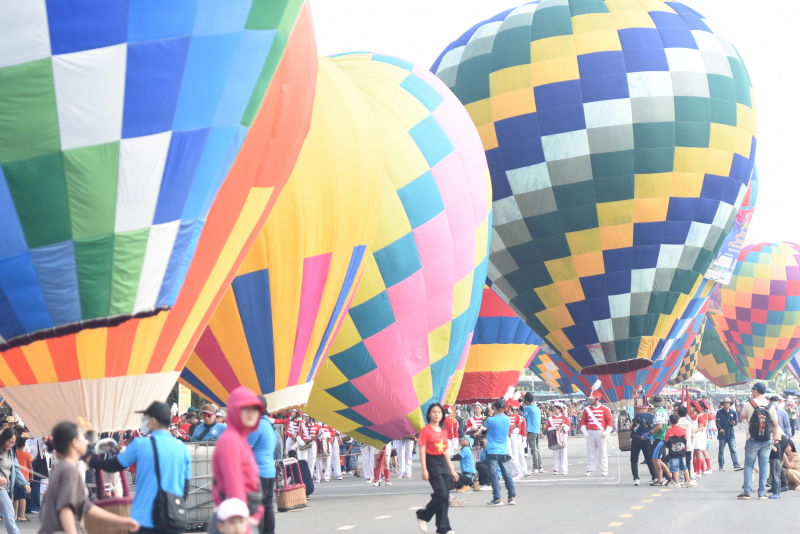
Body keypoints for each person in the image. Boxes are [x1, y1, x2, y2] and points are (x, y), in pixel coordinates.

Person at [90, 402, 191, 534]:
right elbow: (186, 486)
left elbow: (115, 465)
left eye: (145, 418)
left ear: (153, 421)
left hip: (143, 518)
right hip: (172, 518)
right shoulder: (182, 448)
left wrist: (90, 460)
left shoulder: (140, 444)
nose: (143, 422)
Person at [40, 422, 139, 534]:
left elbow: (84, 505)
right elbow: (65, 508)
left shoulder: (63, 467)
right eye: (83, 438)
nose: (86, 441)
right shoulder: (68, 469)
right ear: (74, 443)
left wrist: (119, 521)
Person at [415, 403, 457, 534]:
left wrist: (452, 469)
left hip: (443, 462)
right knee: (441, 493)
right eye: (434, 412)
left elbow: (445, 452)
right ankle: (423, 515)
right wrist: (424, 469)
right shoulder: (425, 430)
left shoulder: (443, 430)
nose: (437, 414)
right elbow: (422, 450)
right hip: (431, 462)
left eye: (439, 412)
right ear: (429, 414)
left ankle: (443, 528)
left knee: (445, 496)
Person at [738, 382, 780, 499]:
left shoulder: (749, 404)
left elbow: (743, 416)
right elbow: (775, 423)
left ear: (756, 390)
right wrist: (773, 438)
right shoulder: (770, 405)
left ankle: (747, 492)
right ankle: (761, 493)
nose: (752, 392)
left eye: (752, 390)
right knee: (763, 465)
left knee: (749, 465)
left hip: (752, 438)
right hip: (766, 439)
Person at [246, 396, 277, 534]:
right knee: (267, 506)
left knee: (255, 508)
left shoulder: (256, 425)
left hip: (256, 472)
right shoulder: (270, 424)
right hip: (269, 470)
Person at [481, 399, 516, 506]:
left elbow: (484, 423)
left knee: (494, 475)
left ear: (494, 408)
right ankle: (511, 497)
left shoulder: (491, 420)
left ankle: (497, 498)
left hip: (492, 451)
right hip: (503, 451)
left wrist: (490, 414)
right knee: (507, 475)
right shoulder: (508, 420)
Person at [0, 428, 29, 534]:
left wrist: (24, 483)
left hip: (6, 487)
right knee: (9, 512)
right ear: (4, 438)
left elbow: (16, 469)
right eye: (8, 441)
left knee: (9, 512)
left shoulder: (12, 452)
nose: (10, 444)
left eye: (12, 443)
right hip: (1, 487)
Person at [580, 390, 613, 476]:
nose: (590, 401)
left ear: (597, 399)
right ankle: (589, 469)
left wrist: (607, 432)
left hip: (601, 433)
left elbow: (610, 422)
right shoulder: (586, 409)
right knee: (590, 452)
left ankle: (604, 469)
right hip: (590, 432)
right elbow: (583, 421)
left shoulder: (605, 409)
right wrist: (584, 430)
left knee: (603, 452)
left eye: (591, 399)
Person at [629, 403, 656, 486]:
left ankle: (636, 479)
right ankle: (654, 477)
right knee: (649, 459)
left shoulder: (639, 415)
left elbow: (631, 427)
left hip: (636, 438)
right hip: (647, 438)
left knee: (634, 460)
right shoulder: (654, 417)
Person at [663, 414, 690, 488]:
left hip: (673, 452)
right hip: (682, 451)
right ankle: (688, 481)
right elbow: (685, 441)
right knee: (684, 467)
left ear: (670, 422)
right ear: (678, 421)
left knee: (674, 468)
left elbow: (667, 442)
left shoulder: (669, 431)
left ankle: (677, 482)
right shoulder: (683, 430)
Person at [716, 397, 742, 471]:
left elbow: (736, 421)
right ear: (723, 404)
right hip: (722, 435)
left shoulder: (733, 412)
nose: (726, 404)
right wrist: (720, 429)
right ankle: (721, 465)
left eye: (728, 402)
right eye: (725, 402)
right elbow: (717, 422)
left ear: (730, 404)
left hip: (731, 434)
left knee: (733, 450)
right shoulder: (719, 412)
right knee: (721, 451)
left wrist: (734, 423)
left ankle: (736, 464)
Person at [648, 396, 670, 486]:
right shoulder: (664, 411)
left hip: (659, 437)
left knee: (656, 460)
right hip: (663, 436)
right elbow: (665, 425)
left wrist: (649, 433)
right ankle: (669, 476)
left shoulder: (657, 413)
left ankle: (660, 479)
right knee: (658, 459)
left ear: (654, 404)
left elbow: (659, 426)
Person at [546, 402, 570, 475]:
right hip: (554, 436)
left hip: (563, 436)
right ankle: (556, 468)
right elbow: (548, 428)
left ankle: (564, 469)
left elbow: (568, 428)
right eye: (554, 409)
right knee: (555, 452)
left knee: (564, 453)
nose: (554, 411)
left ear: (560, 409)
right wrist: (554, 428)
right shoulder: (550, 419)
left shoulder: (565, 418)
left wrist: (564, 426)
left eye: (556, 409)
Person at [522, 393, 542, 474]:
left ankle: (535, 467)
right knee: (537, 449)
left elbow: (519, 407)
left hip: (531, 431)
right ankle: (540, 466)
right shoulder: (537, 408)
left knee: (533, 450)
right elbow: (526, 416)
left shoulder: (529, 408)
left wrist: (520, 398)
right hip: (537, 431)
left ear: (526, 401)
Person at [13, 435, 31, 523]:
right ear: (24, 445)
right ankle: (22, 516)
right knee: (23, 498)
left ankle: (15, 515)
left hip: (15, 479)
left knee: (15, 498)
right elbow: (30, 467)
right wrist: (32, 476)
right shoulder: (27, 454)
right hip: (25, 479)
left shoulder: (13, 454)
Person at [689, 401, 710, 476]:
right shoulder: (688, 417)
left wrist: (693, 431)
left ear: (694, 408)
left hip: (697, 437)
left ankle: (699, 471)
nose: (689, 408)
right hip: (691, 437)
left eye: (690, 407)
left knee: (698, 454)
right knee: (693, 454)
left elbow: (701, 428)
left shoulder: (699, 417)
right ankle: (695, 470)